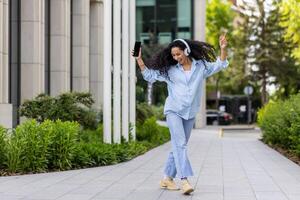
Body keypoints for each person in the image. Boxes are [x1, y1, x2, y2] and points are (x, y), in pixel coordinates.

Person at [132, 35, 228, 195]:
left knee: (178, 145)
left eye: (178, 54)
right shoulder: (170, 71)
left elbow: (220, 64)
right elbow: (149, 76)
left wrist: (223, 49)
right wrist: (139, 60)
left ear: (187, 51)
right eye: (174, 56)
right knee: (180, 144)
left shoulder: (201, 67)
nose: (176, 58)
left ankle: (167, 178)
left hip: (190, 113)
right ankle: (184, 180)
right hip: (173, 110)